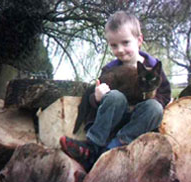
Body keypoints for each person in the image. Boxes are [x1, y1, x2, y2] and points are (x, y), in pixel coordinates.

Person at [60, 10, 171, 171]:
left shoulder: (154, 67)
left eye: (125, 42)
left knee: (154, 107)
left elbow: (165, 94)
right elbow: (94, 97)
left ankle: (113, 148)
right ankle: (92, 146)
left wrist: (153, 99)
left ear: (139, 40)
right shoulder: (110, 70)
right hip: (113, 122)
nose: (120, 49)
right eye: (114, 45)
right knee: (115, 97)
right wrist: (97, 97)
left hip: (136, 126)